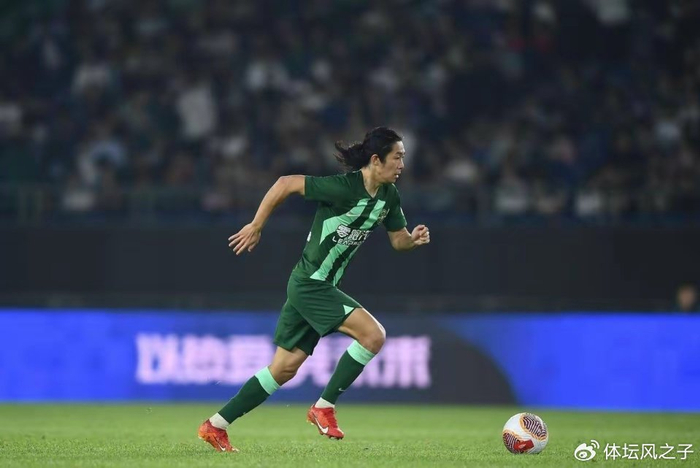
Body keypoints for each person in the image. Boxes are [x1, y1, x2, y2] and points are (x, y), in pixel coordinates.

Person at [197, 127, 430, 452]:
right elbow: (285, 183)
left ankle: (215, 425)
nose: (402, 164)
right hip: (311, 284)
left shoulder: (389, 196)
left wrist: (413, 240)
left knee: (283, 369)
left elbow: (398, 240)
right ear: (376, 160)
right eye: (398, 157)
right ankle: (324, 407)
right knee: (373, 335)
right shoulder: (342, 188)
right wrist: (257, 225)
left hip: (315, 285)